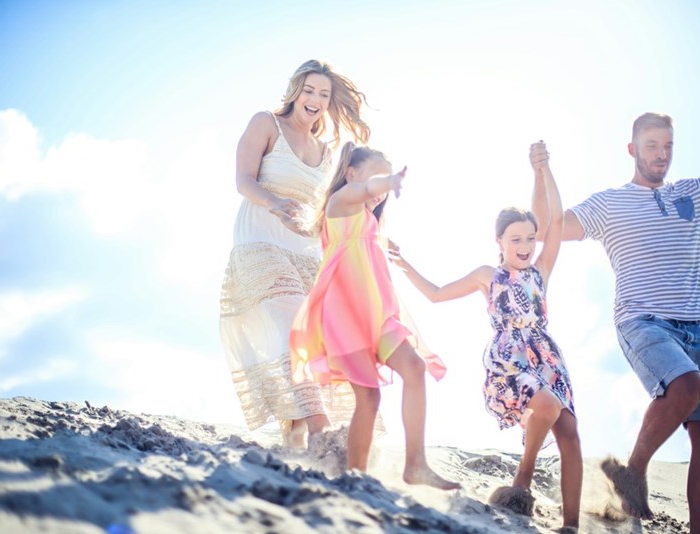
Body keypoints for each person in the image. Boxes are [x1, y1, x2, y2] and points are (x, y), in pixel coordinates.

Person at [557, 112, 700, 534]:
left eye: (668, 146)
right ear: (633, 149)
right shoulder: (609, 203)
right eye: (652, 146)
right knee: (687, 386)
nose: (662, 155)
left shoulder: (695, 193)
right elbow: (553, 226)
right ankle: (632, 472)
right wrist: (540, 179)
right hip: (644, 321)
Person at [389, 142, 582, 530]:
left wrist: (542, 172)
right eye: (516, 239)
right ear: (499, 242)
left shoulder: (540, 270)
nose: (526, 246)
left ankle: (572, 525)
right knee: (545, 406)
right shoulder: (487, 276)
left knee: (570, 435)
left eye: (530, 238)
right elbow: (437, 293)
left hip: (547, 358)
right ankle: (522, 480)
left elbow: (556, 222)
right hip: (510, 360)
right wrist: (405, 263)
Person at [289, 143, 460, 490]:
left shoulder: (368, 222)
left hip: (377, 316)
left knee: (414, 367)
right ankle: (356, 477)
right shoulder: (339, 203)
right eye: (375, 176)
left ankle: (416, 464)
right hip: (344, 318)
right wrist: (389, 181)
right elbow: (365, 190)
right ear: (351, 173)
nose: (379, 189)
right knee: (369, 396)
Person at [220, 59, 370, 448]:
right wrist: (274, 203)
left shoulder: (327, 150)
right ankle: (323, 431)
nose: (315, 100)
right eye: (309, 91)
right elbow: (243, 180)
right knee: (290, 326)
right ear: (294, 91)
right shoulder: (266, 124)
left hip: (305, 254)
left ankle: (299, 430)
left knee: (314, 339)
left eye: (323, 94)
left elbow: (326, 214)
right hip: (258, 242)